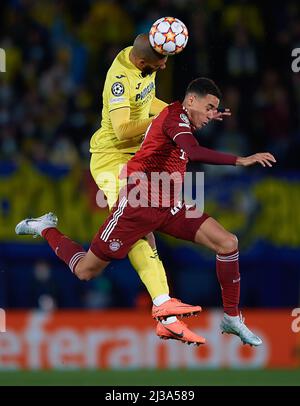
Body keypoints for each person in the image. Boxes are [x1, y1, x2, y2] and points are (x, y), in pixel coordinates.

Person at [16, 77, 276, 346]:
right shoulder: (175, 119)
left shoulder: (183, 117)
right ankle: (44, 227)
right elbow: (194, 152)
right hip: (137, 206)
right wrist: (240, 159)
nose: (211, 115)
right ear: (191, 101)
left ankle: (232, 318)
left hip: (169, 204)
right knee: (85, 271)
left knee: (228, 242)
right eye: (208, 107)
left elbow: (188, 138)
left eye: (215, 110)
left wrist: (208, 112)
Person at [88, 33, 212, 338]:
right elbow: (121, 130)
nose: (165, 66)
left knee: (144, 230)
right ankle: (163, 307)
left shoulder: (140, 59)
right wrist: (166, 117)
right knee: (139, 227)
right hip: (110, 160)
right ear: (144, 62)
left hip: (136, 158)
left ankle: (165, 312)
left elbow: (145, 104)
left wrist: (176, 109)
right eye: (161, 61)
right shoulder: (119, 79)